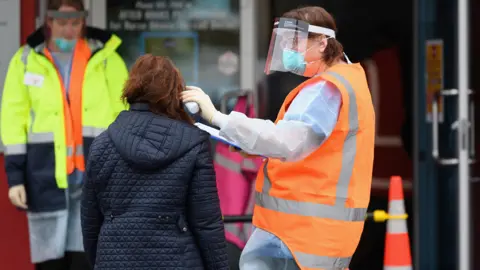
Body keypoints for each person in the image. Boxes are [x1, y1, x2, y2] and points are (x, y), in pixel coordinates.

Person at [182, 6, 375, 270]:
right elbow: (314, 149)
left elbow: (286, 141)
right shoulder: (350, 79)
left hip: (295, 235)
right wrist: (255, 147)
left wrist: (218, 118)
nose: (288, 50)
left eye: (294, 42)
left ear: (322, 43)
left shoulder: (325, 89)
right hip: (312, 236)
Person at [0, 0, 128, 269]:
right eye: (62, 22)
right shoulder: (26, 61)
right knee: (50, 262)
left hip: (96, 176)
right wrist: (15, 178)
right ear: (48, 22)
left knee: (87, 260)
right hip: (45, 176)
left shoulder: (107, 60)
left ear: (84, 21)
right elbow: (13, 120)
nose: (69, 30)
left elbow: (125, 115)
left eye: (75, 22)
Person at [80, 54, 230, 270]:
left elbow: (90, 222)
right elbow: (206, 223)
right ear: (176, 93)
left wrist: (101, 261)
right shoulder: (193, 143)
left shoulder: (102, 144)